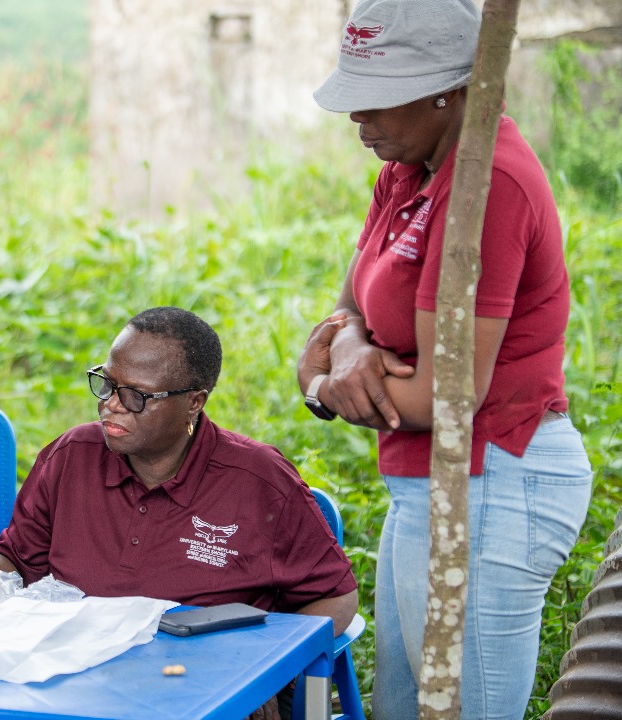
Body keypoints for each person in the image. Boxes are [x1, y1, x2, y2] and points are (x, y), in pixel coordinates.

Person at [296, 1, 593, 718]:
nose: (357, 119)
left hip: (494, 482)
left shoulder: (486, 188)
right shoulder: (409, 166)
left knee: (456, 711)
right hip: (423, 481)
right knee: (410, 707)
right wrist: (353, 349)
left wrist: (325, 377)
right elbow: (343, 313)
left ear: (447, 88)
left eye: (377, 97)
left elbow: (440, 401)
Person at [0, 306, 359, 720]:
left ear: (194, 402)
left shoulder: (258, 481)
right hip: (71, 687)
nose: (112, 404)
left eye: (136, 396)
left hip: (202, 693)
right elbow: (19, 560)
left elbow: (335, 597)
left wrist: (266, 673)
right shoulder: (71, 456)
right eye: (107, 383)